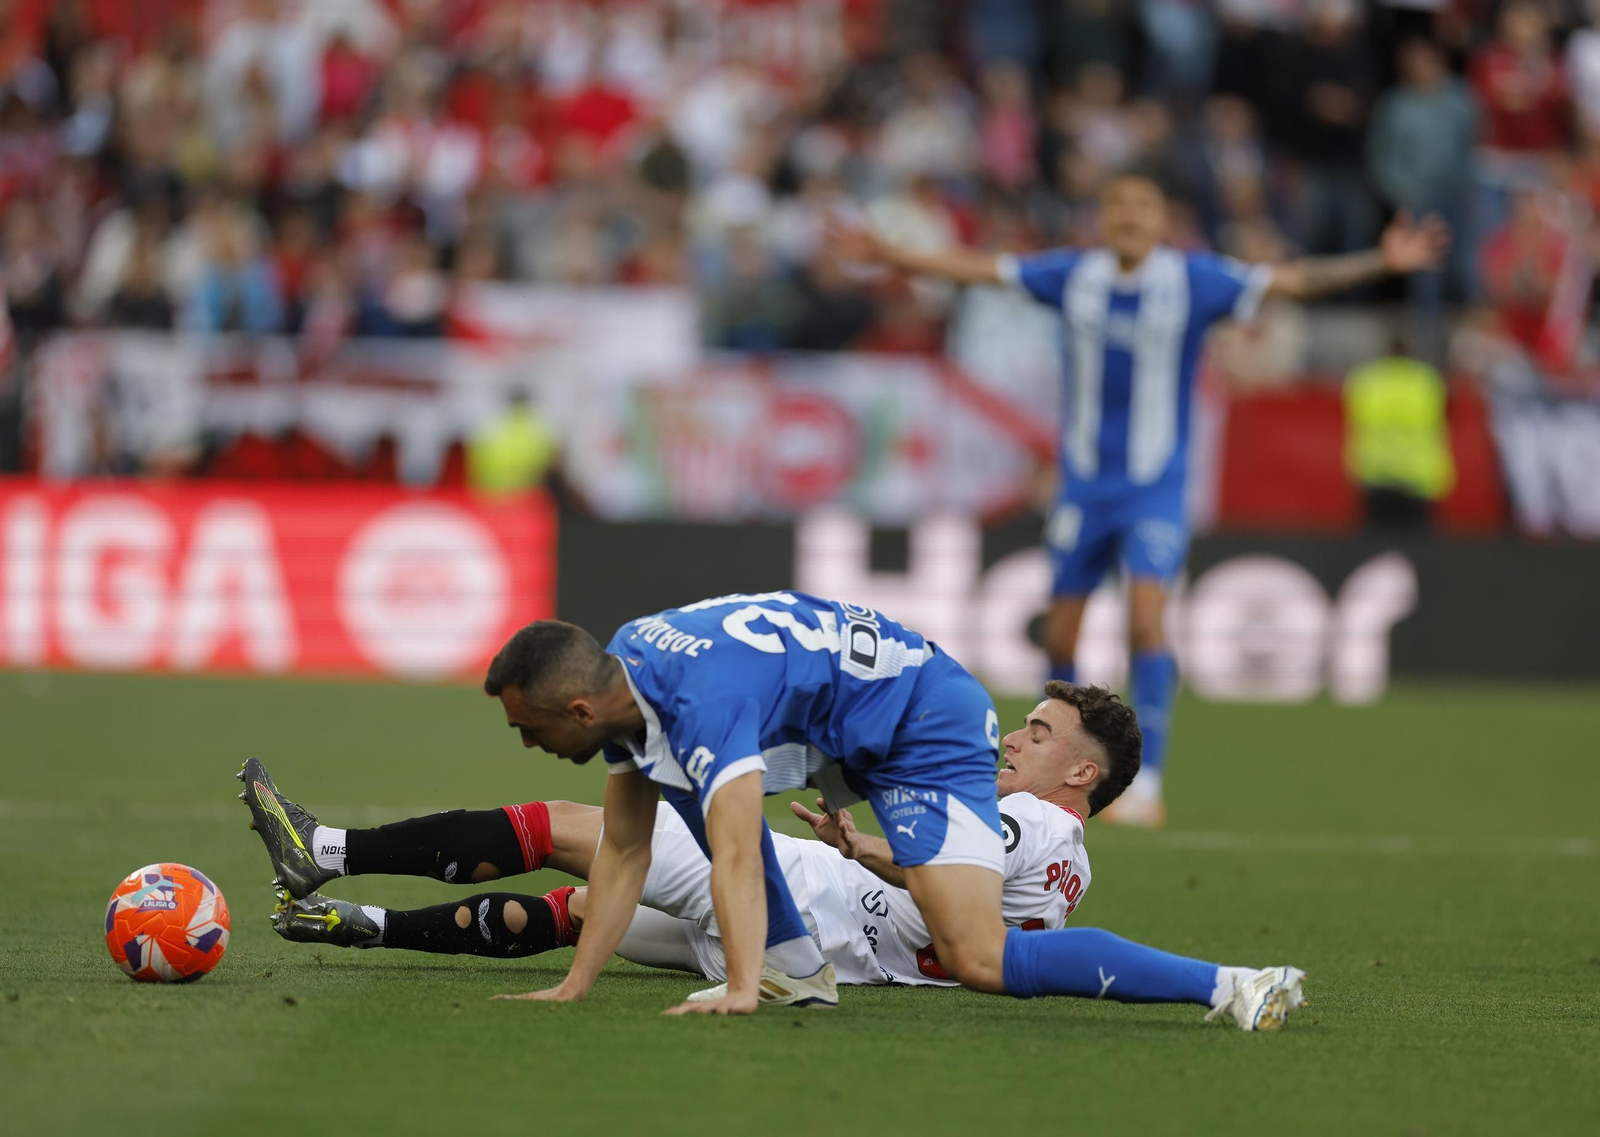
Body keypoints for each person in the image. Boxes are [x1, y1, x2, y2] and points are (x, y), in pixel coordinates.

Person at [242, 591, 1304, 1025]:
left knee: (977, 956)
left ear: (579, 703)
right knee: (616, 857)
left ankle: (1228, 985)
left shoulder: (693, 698)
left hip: (916, 723)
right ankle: (787, 969)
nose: (529, 742)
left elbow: (737, 849)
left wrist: (740, 988)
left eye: (530, 726)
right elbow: (627, 843)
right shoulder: (642, 671)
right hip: (849, 746)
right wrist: (577, 987)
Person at [829, 170, 1449, 827]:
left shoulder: (1193, 281)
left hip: (1155, 488)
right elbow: (982, 269)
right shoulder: (1075, 276)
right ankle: (1049, 772)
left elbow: (1290, 281)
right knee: (1060, 632)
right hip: (1083, 487)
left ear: (1162, 221)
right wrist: (891, 253)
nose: (1129, 215)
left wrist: (1381, 261)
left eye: (1143, 205)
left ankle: (1146, 780)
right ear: (1102, 218)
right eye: (1118, 204)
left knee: (1147, 621)